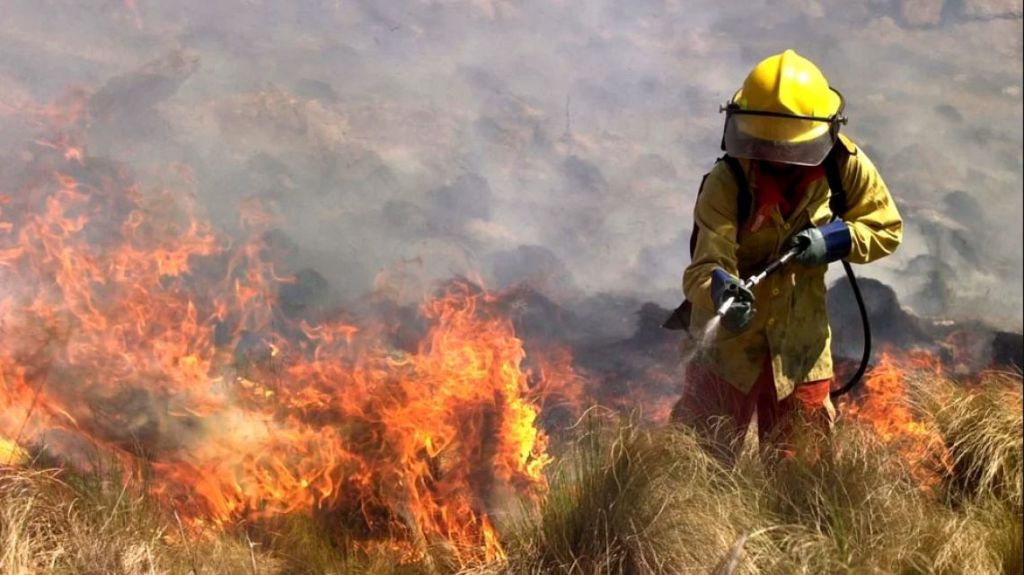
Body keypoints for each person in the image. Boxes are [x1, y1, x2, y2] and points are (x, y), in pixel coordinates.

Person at [670, 49, 903, 463]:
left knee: (801, 474)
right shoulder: (728, 182)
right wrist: (722, 289)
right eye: (765, 144)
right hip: (726, 352)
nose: (776, 157)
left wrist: (835, 241)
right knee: (699, 466)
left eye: (786, 147)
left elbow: (885, 228)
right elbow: (703, 269)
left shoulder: (843, 165)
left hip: (801, 349)